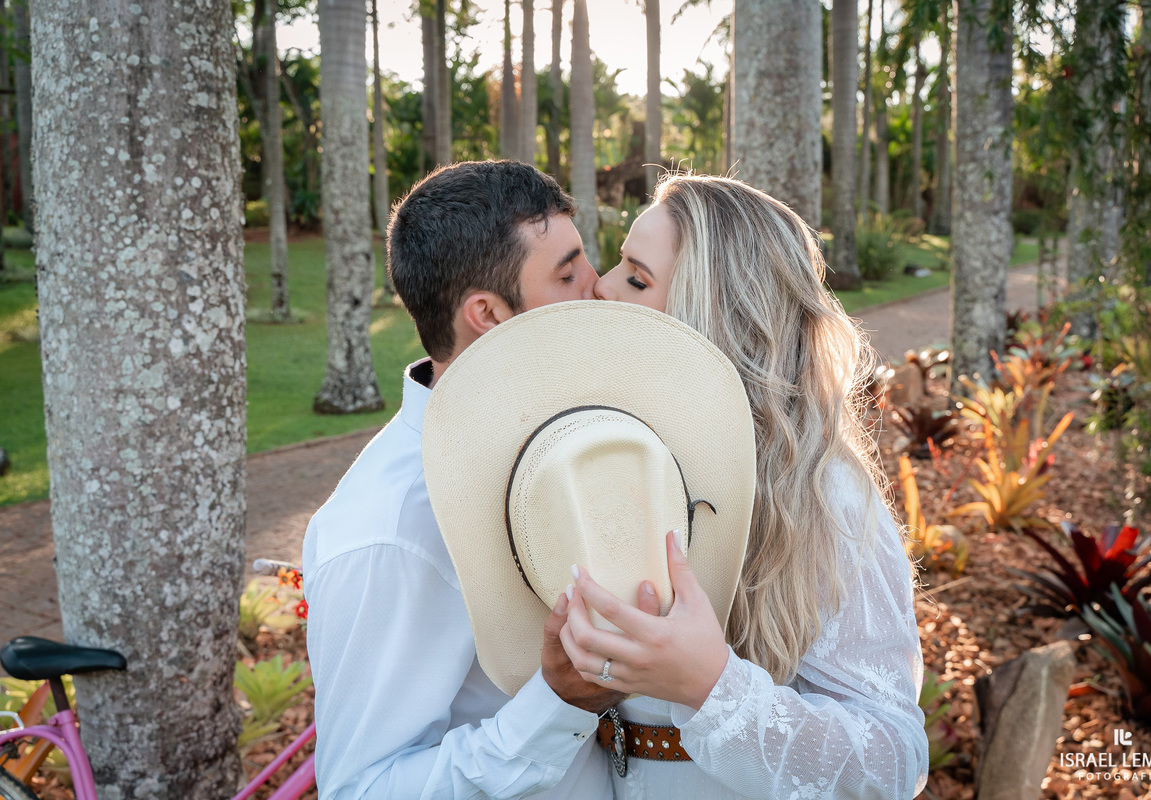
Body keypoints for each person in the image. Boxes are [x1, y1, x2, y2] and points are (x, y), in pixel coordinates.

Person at [560, 174, 929, 798]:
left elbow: (895, 759)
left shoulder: (822, 494)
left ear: (711, 316)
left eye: (637, 279)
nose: (601, 285)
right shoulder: (617, 454)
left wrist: (711, 686)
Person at [302, 161, 634, 800]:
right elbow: (363, 789)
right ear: (488, 313)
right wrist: (559, 705)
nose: (598, 288)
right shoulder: (392, 531)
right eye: (567, 273)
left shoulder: (549, 444)